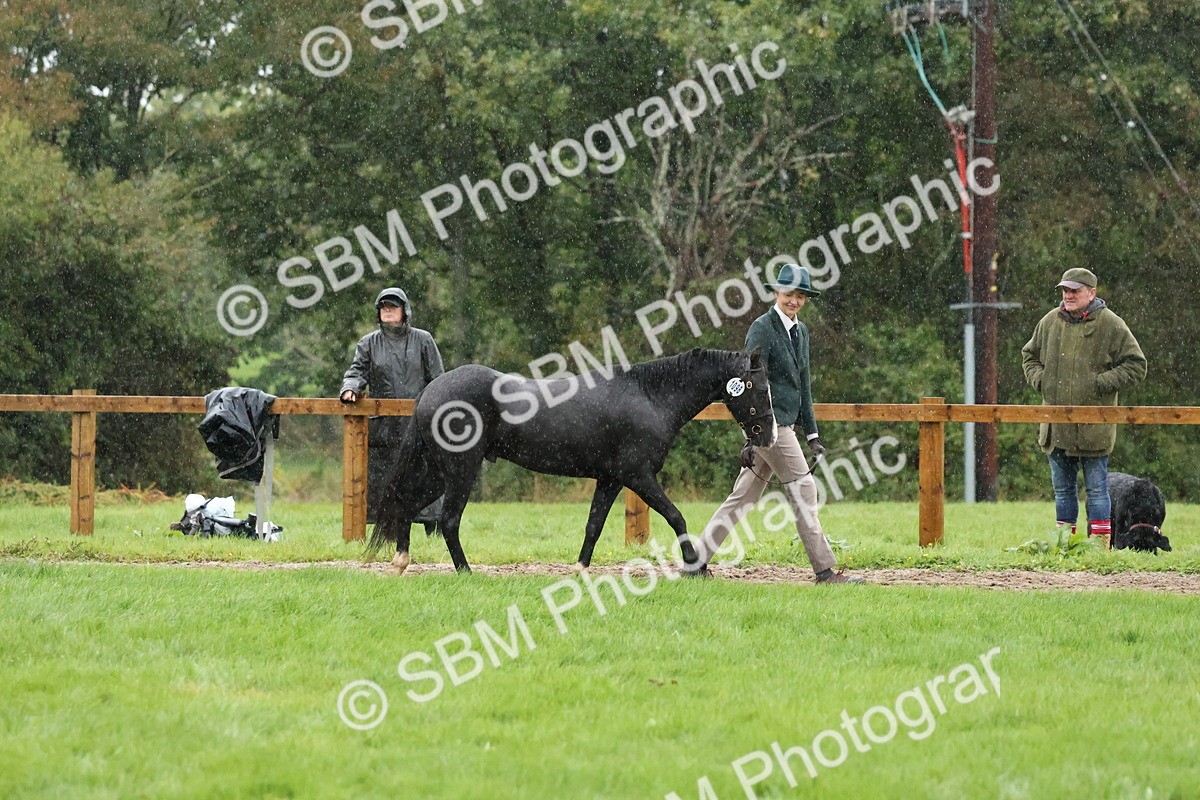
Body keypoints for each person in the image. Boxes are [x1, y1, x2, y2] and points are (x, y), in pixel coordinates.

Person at [689, 263, 862, 584]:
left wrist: (812, 434)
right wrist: (750, 435)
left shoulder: (801, 331)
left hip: (785, 426)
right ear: (776, 293)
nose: (794, 301)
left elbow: (803, 384)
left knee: (743, 496)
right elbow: (749, 383)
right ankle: (825, 571)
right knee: (805, 489)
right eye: (788, 294)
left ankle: (695, 562)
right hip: (771, 427)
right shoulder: (762, 328)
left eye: (800, 296)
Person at [1021, 267, 1147, 549]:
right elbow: (1029, 356)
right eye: (1065, 290)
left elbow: (1137, 365)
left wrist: (1100, 384)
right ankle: (1064, 545)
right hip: (1056, 426)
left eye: (1075, 291)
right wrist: (1042, 381)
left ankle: (1098, 548)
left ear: (1092, 293)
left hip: (1095, 426)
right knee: (1063, 491)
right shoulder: (1050, 321)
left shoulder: (1111, 323)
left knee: (1097, 491)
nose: (1068, 295)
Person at [340, 287, 445, 534]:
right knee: (383, 480)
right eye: (383, 306)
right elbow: (356, 372)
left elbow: (438, 379)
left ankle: (434, 528)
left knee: (424, 475)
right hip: (383, 427)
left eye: (393, 306)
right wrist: (350, 388)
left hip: (419, 423)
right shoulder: (368, 343)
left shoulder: (423, 339)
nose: (387, 310)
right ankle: (384, 530)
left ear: (404, 311)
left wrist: (436, 413)